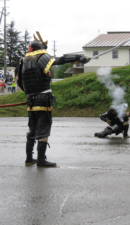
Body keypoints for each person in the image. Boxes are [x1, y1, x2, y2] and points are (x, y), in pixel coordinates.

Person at [18, 32, 90, 167]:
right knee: (43, 130)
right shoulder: (42, 57)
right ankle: (40, 160)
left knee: (32, 130)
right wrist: (80, 58)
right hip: (43, 100)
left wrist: (30, 93)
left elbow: (20, 83)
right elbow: (61, 60)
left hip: (31, 102)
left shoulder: (23, 61)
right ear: (41, 49)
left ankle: (29, 159)